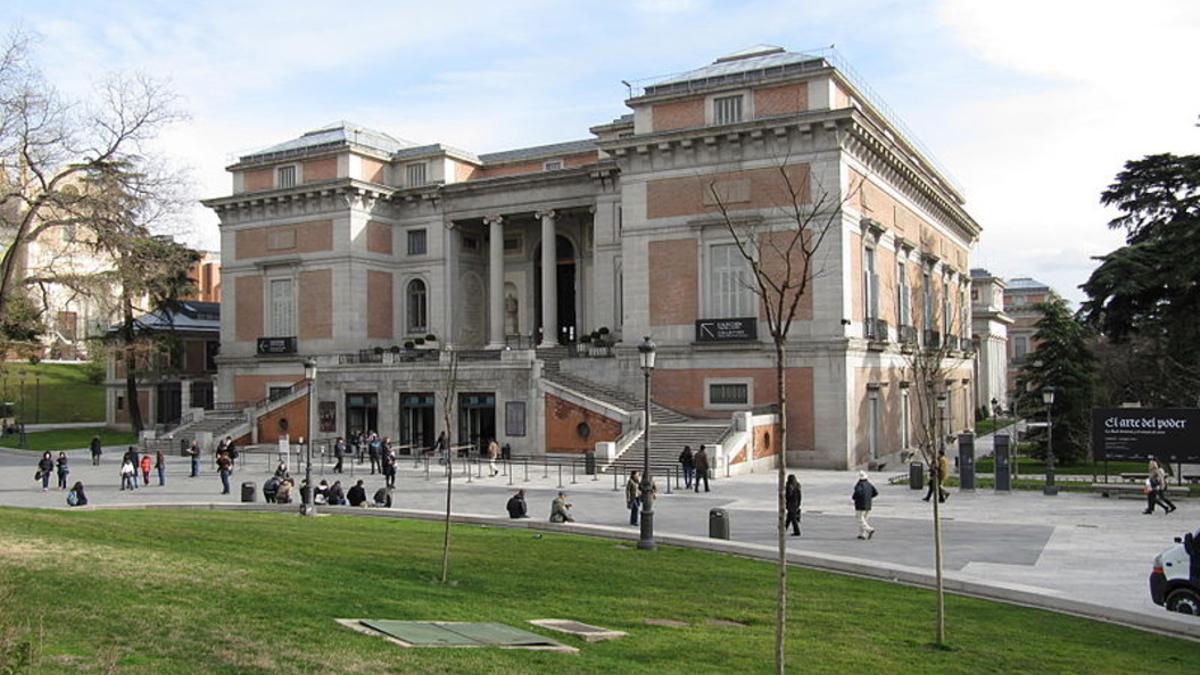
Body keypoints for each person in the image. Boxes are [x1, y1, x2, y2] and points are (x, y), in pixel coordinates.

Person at [852, 471, 878, 540]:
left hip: (860, 505)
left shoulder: (859, 485)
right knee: (865, 519)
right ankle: (862, 534)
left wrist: (854, 498)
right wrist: (869, 497)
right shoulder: (869, 484)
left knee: (860, 518)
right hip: (868, 505)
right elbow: (875, 493)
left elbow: (857, 493)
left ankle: (869, 529)